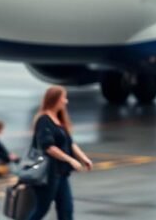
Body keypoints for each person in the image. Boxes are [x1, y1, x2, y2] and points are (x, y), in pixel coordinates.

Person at [28, 86, 92, 219]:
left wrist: (83, 158)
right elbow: (49, 147)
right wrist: (70, 160)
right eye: (64, 98)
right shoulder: (44, 120)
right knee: (41, 209)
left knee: (66, 210)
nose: (66, 101)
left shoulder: (59, 120)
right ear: (55, 99)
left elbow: (70, 143)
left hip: (61, 174)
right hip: (48, 174)